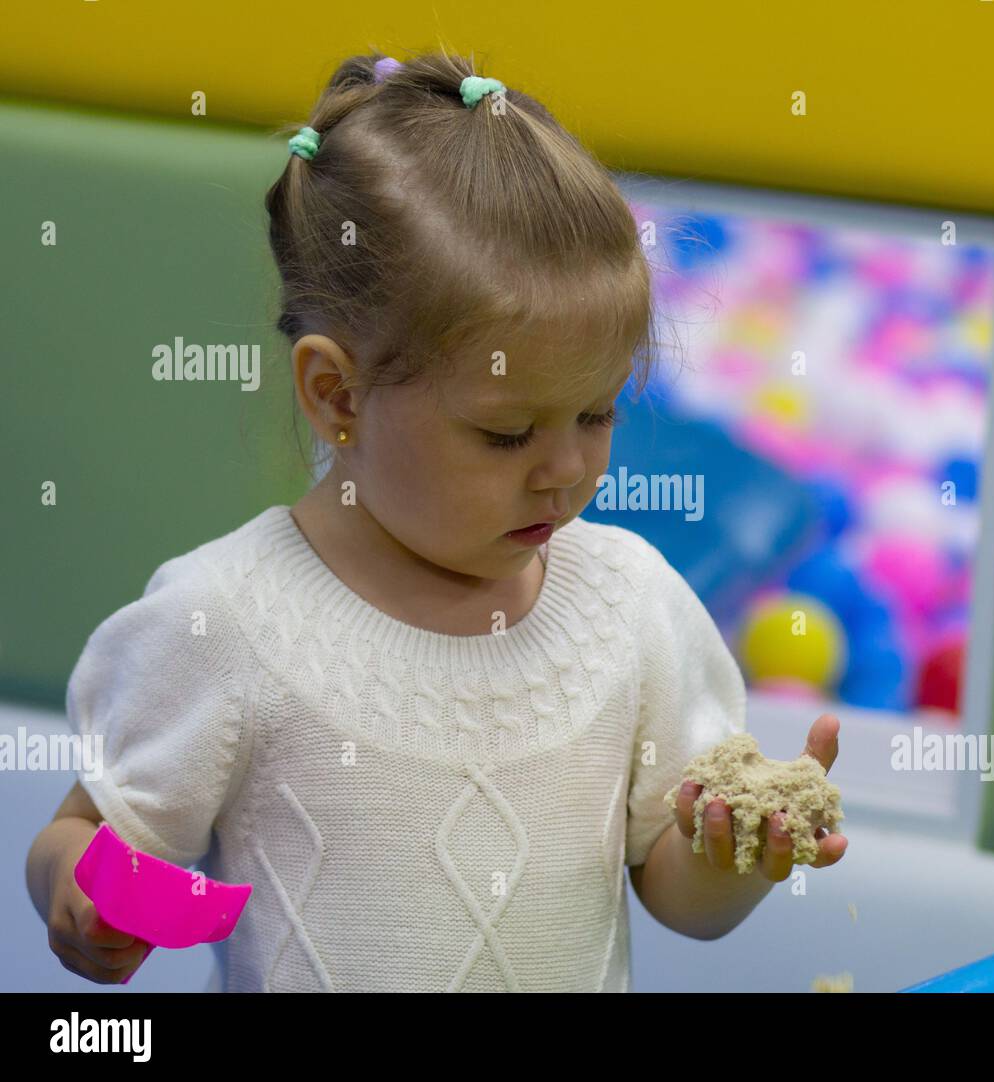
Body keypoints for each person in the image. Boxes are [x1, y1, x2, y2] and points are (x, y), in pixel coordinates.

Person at [26, 48, 847, 992]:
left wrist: (733, 850)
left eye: (597, 414)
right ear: (337, 394)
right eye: (506, 434)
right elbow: (84, 832)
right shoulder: (228, 623)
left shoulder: (632, 609)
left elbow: (675, 895)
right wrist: (78, 894)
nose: (568, 470)